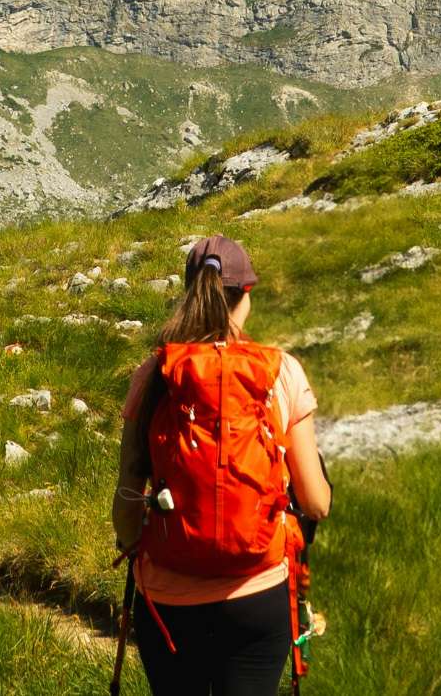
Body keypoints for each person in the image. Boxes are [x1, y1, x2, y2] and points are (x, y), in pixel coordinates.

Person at [113, 235, 332, 696]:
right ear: (246, 296)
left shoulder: (154, 373)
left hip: (168, 598)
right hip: (257, 591)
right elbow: (315, 503)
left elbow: (129, 490)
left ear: (190, 290)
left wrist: (135, 545)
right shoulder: (281, 371)